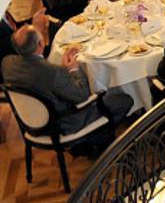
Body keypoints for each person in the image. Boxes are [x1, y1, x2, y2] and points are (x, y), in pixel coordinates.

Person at [3, 23, 133, 136]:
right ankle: (97, 138)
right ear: (41, 43)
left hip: (30, 123)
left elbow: (43, 81)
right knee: (124, 100)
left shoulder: (7, 63)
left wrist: (62, 69)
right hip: (63, 123)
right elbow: (83, 96)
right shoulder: (52, 72)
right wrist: (73, 70)